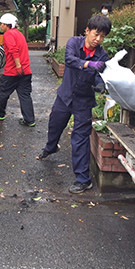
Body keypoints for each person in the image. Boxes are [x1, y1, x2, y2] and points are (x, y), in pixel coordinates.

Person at [37, 15, 111, 194]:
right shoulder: (73, 43)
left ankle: (83, 179)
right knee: (55, 125)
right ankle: (51, 147)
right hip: (65, 96)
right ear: (87, 30)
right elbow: (69, 60)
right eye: (96, 34)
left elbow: (99, 76)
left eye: (102, 36)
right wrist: (88, 64)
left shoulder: (102, 55)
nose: (98, 39)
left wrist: (101, 85)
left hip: (83, 102)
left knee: (80, 139)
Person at [0, 13, 35, 127]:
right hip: (26, 71)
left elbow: (13, 50)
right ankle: (29, 120)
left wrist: (17, 65)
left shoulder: (8, 34)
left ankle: (0, 113)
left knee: (3, 92)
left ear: (6, 24)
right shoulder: (19, 34)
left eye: (1, 24)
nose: (0, 26)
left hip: (13, 71)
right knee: (25, 95)